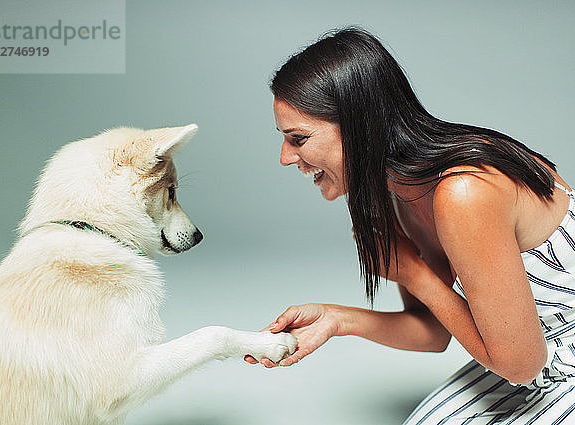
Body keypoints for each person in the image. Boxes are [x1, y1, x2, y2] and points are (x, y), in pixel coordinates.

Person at [245, 28, 575, 424]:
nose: (285, 157)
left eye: (298, 138)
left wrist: (414, 274)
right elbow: (434, 333)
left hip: (530, 359)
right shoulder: (392, 195)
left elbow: (520, 364)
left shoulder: (464, 191)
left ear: (359, 126)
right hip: (529, 360)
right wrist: (336, 320)